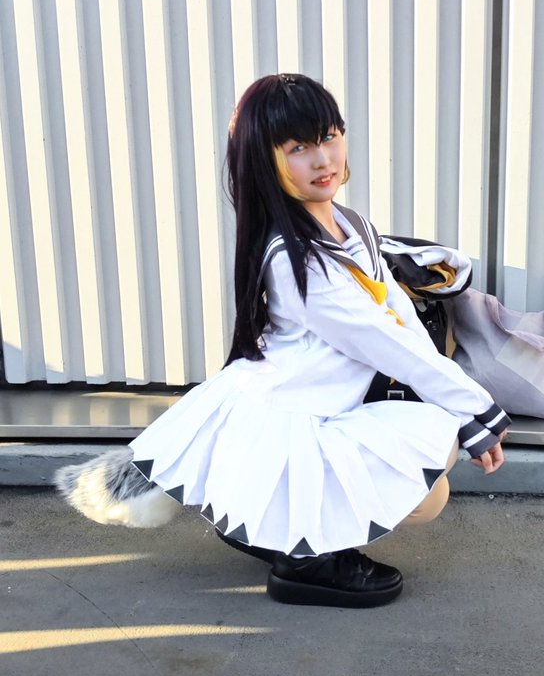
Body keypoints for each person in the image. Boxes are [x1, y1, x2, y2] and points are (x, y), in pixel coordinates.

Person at [56, 74, 509, 608]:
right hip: (289, 417)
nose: (323, 159)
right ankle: (303, 558)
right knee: (432, 474)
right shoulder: (298, 261)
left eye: (330, 136)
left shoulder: (349, 225)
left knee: (436, 460)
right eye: (298, 148)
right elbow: (386, 342)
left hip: (311, 405)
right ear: (264, 160)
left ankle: (274, 527)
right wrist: (474, 411)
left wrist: (465, 410)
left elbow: (398, 317)